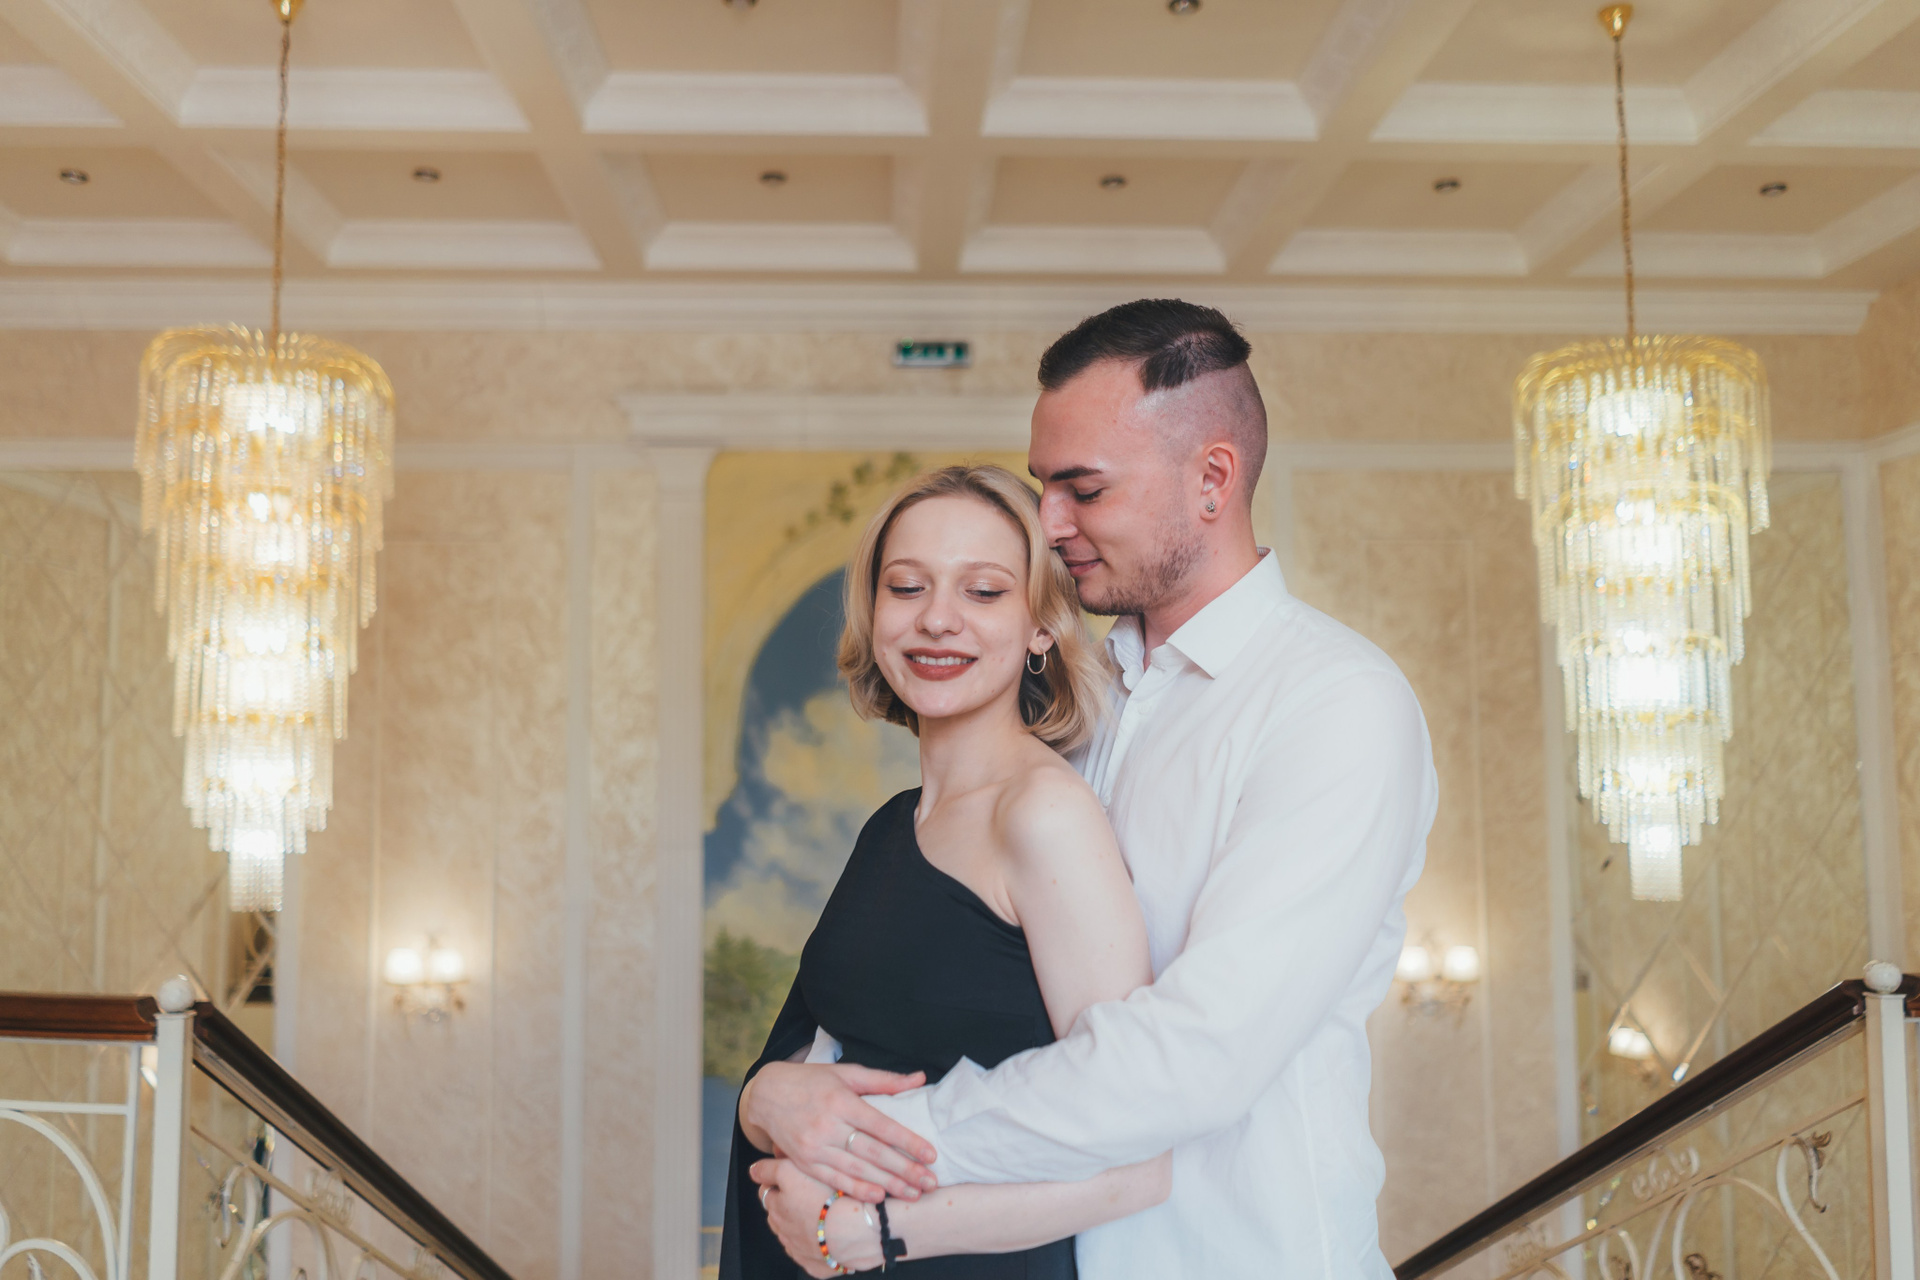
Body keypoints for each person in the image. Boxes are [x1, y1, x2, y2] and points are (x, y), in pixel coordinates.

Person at [743, 299, 1440, 1277]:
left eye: (1084, 488)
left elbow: (1193, 1057)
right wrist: (771, 1095)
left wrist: (871, 1147)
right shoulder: (1078, 710)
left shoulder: (1334, 704)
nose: (1050, 522)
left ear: (1212, 478)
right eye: (1044, 487)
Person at [721, 464, 1172, 1279]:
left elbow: (1137, 1165)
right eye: (906, 587)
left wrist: (883, 1232)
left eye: (984, 592)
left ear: (1042, 626)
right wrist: (762, 1099)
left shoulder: (1044, 815)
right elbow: (817, 1054)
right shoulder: (893, 825)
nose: (936, 619)